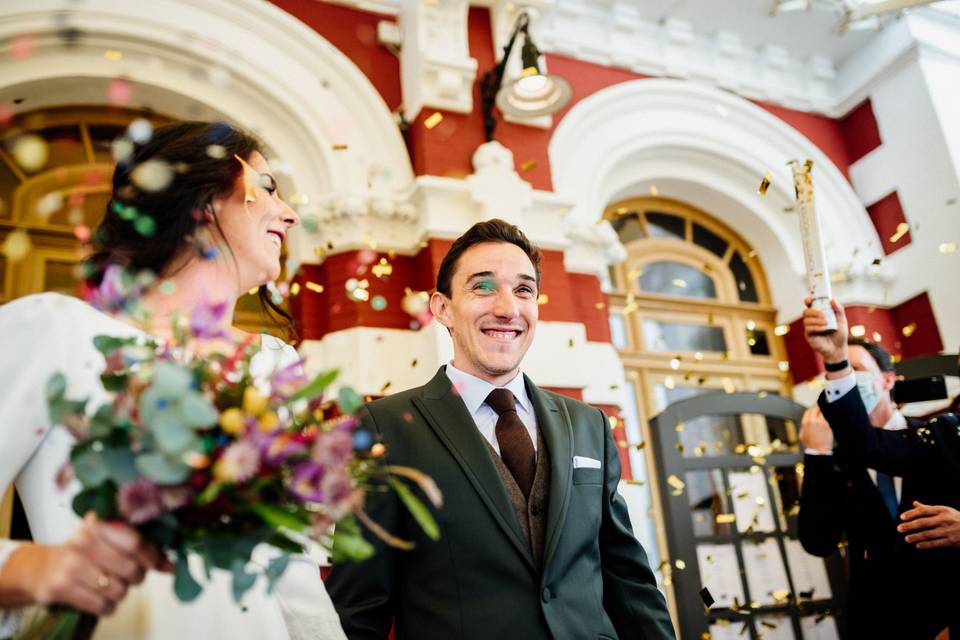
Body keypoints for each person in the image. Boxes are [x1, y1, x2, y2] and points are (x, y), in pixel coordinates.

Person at [0, 121, 346, 639]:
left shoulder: (273, 366)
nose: (290, 214)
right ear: (201, 197)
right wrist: (36, 570)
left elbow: (290, 574)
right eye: (268, 189)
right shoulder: (58, 333)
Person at [326, 219, 675, 640]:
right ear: (443, 308)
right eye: (483, 287)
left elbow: (629, 581)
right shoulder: (383, 427)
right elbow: (359, 609)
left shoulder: (589, 425)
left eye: (524, 290)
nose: (508, 308)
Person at [799, 297, 958, 638]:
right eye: (839, 376)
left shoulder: (938, 436)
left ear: (888, 380)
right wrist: (817, 455)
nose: (849, 382)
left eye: (859, 371)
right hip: (880, 620)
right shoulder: (839, 457)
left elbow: (869, 444)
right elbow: (817, 540)